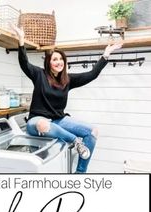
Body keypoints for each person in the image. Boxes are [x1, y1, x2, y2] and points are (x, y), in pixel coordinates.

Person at [12, 25, 123, 173]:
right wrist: (21, 40)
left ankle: (80, 172)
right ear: (49, 63)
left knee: (93, 132)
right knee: (43, 124)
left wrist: (106, 55)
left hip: (59, 120)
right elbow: (24, 63)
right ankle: (75, 141)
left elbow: (91, 75)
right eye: (55, 59)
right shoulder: (39, 74)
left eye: (61, 59)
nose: (59, 62)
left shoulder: (67, 80)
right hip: (36, 121)